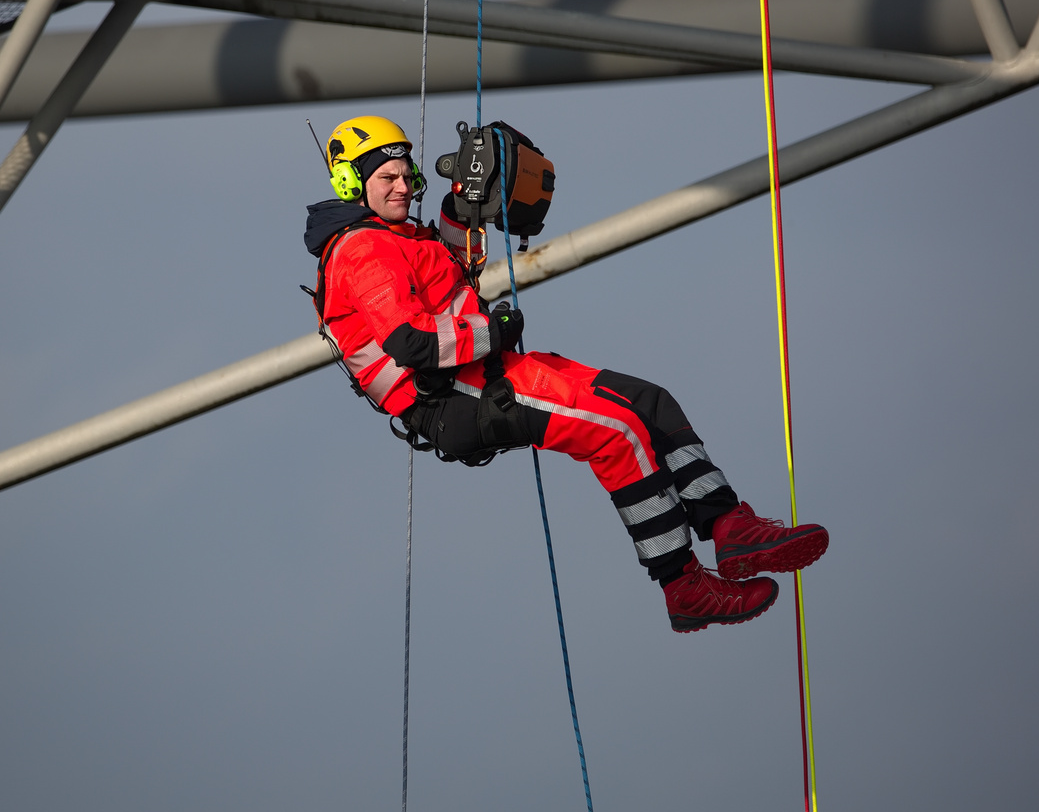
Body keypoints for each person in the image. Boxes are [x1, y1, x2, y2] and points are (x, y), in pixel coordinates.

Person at [305, 115, 828, 632]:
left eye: (405, 175)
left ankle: (730, 526)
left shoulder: (396, 235)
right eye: (386, 179)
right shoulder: (363, 248)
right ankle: (683, 585)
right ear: (352, 183)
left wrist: (462, 199)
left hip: (484, 374)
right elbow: (412, 343)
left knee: (650, 403)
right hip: (454, 397)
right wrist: (496, 332)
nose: (401, 187)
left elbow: (443, 266)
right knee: (617, 432)